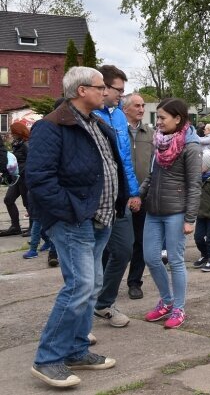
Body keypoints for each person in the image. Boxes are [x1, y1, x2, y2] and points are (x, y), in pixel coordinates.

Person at [27, 66, 125, 388]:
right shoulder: (51, 126)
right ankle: (48, 359)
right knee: (79, 286)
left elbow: (110, 166)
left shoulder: (95, 123)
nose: (106, 92)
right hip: (74, 221)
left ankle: (77, 350)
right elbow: (39, 180)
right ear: (82, 90)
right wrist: (71, 212)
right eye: (101, 87)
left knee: (91, 286)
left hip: (101, 219)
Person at [140, 98, 201, 329]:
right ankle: (166, 301)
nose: (159, 122)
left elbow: (195, 184)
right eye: (158, 117)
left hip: (176, 211)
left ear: (178, 119)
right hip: (153, 210)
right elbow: (151, 175)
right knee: (151, 258)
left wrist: (190, 218)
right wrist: (139, 195)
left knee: (175, 261)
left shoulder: (190, 146)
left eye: (163, 117)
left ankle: (179, 308)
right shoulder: (159, 143)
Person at [92, 65, 142, 329]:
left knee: (124, 249)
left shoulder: (120, 117)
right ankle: (81, 315)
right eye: (117, 91)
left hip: (119, 197)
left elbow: (125, 160)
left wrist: (132, 191)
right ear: (103, 87)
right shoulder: (88, 114)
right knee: (90, 257)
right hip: (94, 199)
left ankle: (103, 303)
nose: (120, 97)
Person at [124, 93, 154, 300]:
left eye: (143, 105)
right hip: (119, 197)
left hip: (143, 197)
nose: (141, 109)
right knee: (117, 245)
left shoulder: (150, 134)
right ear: (125, 108)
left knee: (141, 242)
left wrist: (142, 194)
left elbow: (154, 166)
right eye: (137, 105)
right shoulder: (115, 131)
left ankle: (135, 282)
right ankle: (107, 282)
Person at [0, 122, 30, 237]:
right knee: (8, 199)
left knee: (28, 202)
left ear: (18, 132)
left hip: (24, 177)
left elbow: (31, 161)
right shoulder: (15, 143)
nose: (11, 134)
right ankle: (15, 226)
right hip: (15, 177)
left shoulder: (26, 144)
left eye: (12, 132)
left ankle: (33, 228)